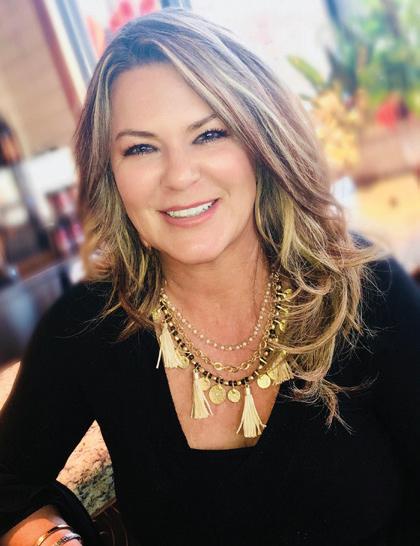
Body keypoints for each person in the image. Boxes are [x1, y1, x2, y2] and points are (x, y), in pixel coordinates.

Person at [1, 8, 419, 546]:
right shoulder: (88, 325)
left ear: (262, 142)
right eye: (141, 147)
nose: (179, 176)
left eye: (210, 134)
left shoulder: (368, 289)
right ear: (110, 173)